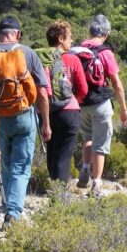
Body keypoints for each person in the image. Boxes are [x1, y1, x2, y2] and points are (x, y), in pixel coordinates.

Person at [0, 16, 51, 226]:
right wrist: (45, 122)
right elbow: (43, 92)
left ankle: (11, 206)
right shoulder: (28, 53)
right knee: (21, 166)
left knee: (7, 164)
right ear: (18, 33)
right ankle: (13, 213)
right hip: (24, 116)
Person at [73, 14, 127, 193]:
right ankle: (96, 182)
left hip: (81, 102)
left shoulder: (77, 49)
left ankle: (85, 169)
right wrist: (123, 108)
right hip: (101, 103)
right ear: (106, 33)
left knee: (87, 137)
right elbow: (117, 84)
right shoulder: (105, 52)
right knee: (101, 143)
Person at [38, 20, 89, 184]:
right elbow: (83, 90)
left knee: (52, 152)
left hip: (46, 111)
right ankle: (60, 197)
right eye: (69, 37)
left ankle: (53, 187)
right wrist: (75, 100)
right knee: (64, 155)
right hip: (69, 112)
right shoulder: (72, 60)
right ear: (61, 38)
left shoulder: (41, 58)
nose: (71, 41)